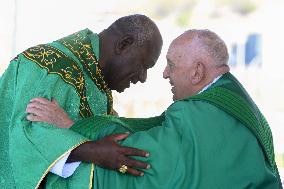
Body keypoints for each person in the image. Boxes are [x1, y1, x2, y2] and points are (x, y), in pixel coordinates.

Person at [26, 29, 282, 188]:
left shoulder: (201, 114)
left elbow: (145, 158)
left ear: (197, 72)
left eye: (171, 65)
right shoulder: (231, 99)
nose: (165, 74)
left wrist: (74, 127)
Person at [0, 14, 163, 188]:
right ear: (123, 44)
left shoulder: (98, 83)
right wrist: (93, 151)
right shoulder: (47, 65)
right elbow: (26, 137)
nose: (143, 77)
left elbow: (111, 143)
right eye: (143, 65)